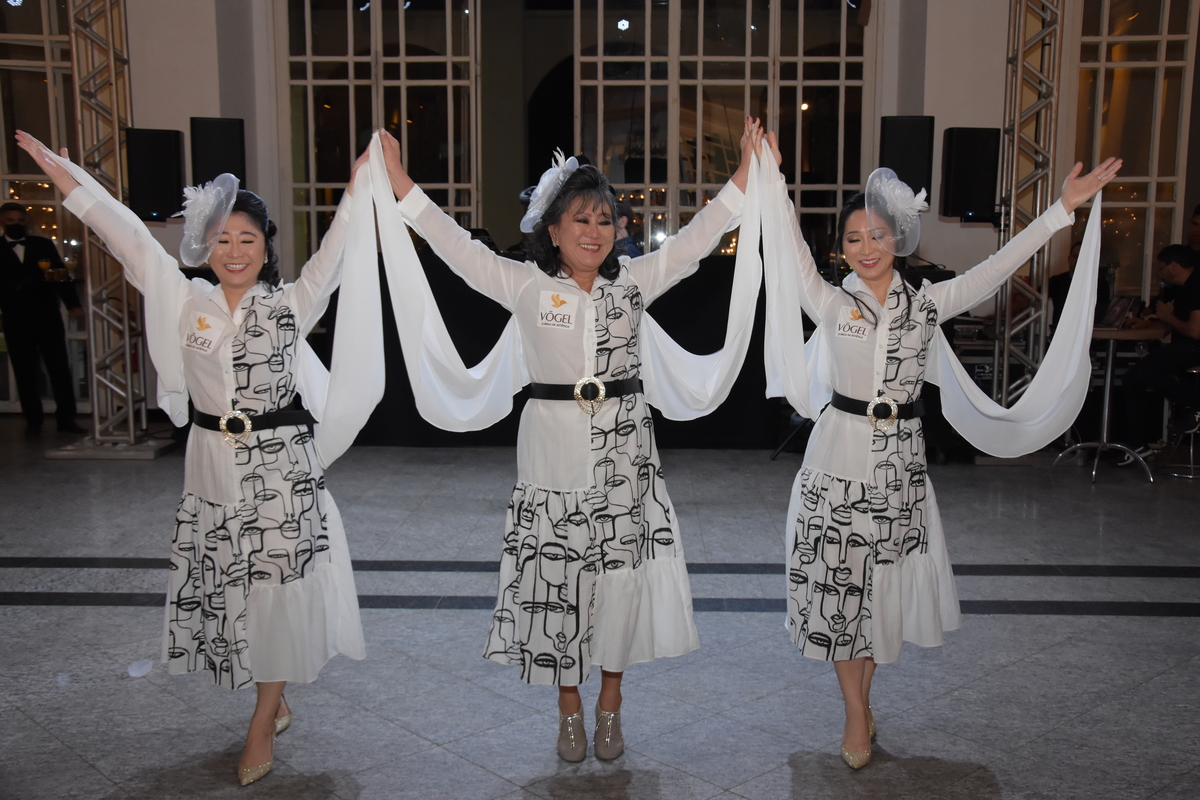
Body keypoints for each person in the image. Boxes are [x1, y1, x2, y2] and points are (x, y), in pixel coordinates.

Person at [370, 122, 763, 762]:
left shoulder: (634, 281)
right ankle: (569, 710)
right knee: (558, 584)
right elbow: (449, 244)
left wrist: (745, 172)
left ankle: (611, 705)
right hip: (551, 454)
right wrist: (398, 182)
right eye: (579, 218)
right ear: (552, 229)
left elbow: (698, 238)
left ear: (618, 231)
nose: (594, 230)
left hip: (625, 459)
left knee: (619, 586)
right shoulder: (525, 284)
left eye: (605, 219)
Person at [15, 130, 379, 786]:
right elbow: (122, 232)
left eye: (247, 239)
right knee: (235, 594)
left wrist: (356, 185)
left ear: (266, 246)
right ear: (203, 244)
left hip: (281, 471)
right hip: (211, 463)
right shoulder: (184, 301)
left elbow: (339, 248)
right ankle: (275, 692)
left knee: (276, 590)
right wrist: (64, 176)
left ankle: (263, 717)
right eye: (221, 239)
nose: (234, 251)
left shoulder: (292, 304)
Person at [757, 130, 1119, 769]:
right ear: (840, 250)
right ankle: (853, 714)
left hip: (900, 464)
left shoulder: (926, 304)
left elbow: (997, 268)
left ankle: (865, 704)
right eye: (853, 239)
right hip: (836, 458)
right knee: (842, 593)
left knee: (877, 596)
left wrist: (1062, 210)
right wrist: (773, 177)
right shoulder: (828, 300)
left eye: (877, 235)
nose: (866, 248)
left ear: (898, 236)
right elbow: (786, 248)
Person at [0, 201, 86, 434]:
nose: (16, 225)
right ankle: (33, 421)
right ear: (2, 222)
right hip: (15, 319)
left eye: (20, 221)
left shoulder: (42, 244)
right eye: (11, 222)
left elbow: (60, 275)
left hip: (46, 316)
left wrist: (73, 305)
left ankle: (66, 419)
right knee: (25, 371)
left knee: (59, 367)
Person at [1120, 244, 1200, 463]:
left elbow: (1194, 330)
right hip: (1183, 346)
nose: (1159, 273)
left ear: (1173, 266)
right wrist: (1148, 323)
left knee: (1146, 371)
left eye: (1162, 267)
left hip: (1194, 348)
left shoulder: (1196, 285)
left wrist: (1167, 318)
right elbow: (1174, 324)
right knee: (1133, 378)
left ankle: (1195, 404)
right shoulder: (1182, 288)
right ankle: (1137, 444)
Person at [1049, 239, 1110, 328]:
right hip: (1061, 334)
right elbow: (1034, 298)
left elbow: (1103, 312)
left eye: (1082, 257)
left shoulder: (1099, 283)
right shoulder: (1057, 281)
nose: (1078, 260)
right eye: (1075, 256)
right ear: (1069, 259)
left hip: (1090, 335)